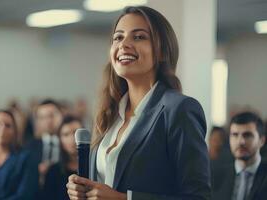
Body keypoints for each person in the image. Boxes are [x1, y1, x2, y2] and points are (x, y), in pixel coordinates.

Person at [66, 6, 210, 200]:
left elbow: (199, 197)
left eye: (139, 37)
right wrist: (83, 189)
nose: (124, 45)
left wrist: (124, 199)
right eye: (118, 37)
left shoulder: (179, 109)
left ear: (161, 51)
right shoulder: (109, 114)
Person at [212, 112, 267, 200]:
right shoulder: (215, 176)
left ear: (262, 140)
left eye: (247, 135)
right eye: (235, 135)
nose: (240, 142)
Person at [43, 115, 83, 200]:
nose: (72, 138)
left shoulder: (94, 167)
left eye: (76, 133)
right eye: (66, 134)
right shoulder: (53, 171)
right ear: (60, 140)